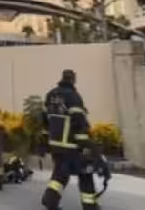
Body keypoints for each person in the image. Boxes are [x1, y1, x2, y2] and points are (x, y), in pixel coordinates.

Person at [41, 69, 99, 210]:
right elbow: (79, 121)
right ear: (73, 80)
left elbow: (44, 119)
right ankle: (90, 205)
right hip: (71, 145)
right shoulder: (73, 96)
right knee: (85, 173)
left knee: (60, 174)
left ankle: (50, 199)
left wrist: (46, 140)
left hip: (55, 144)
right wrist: (85, 143)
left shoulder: (51, 94)